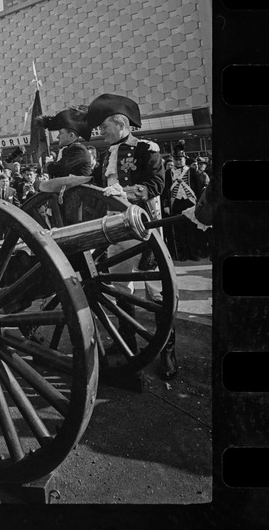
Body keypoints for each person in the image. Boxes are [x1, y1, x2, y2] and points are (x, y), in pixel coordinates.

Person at [85, 93, 176, 380]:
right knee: (119, 286)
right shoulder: (105, 155)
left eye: (105, 128)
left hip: (144, 229)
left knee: (157, 292)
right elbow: (97, 186)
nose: (101, 133)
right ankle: (127, 342)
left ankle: (168, 351)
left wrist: (127, 193)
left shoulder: (147, 148)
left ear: (121, 123)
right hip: (115, 230)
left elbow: (156, 184)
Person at [38, 107, 92, 178]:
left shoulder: (79, 150)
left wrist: (49, 164)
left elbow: (60, 168)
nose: (58, 137)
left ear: (71, 135)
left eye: (60, 133)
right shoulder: (68, 150)